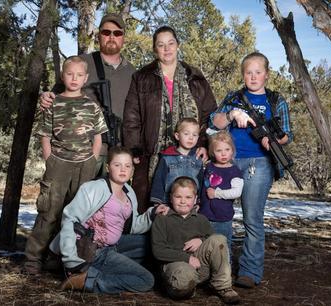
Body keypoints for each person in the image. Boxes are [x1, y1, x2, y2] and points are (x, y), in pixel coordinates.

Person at [210, 52, 293, 288]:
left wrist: (275, 141)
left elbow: (288, 133)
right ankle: (220, 267)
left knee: (252, 220)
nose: (253, 76)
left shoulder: (276, 101)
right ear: (243, 74)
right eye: (248, 72)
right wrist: (232, 114)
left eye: (258, 72)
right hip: (228, 162)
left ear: (266, 74)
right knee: (220, 215)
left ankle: (250, 271)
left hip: (260, 164)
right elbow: (212, 122)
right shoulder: (234, 97)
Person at [24, 56, 108, 275]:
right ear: (63, 76)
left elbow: (98, 135)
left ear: (86, 78)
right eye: (70, 74)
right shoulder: (54, 103)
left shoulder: (91, 105)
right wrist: (49, 158)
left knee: (74, 214)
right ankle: (33, 259)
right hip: (59, 163)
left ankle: (57, 258)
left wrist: (92, 158)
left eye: (79, 75)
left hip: (84, 164)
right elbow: (44, 134)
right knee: (49, 212)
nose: (74, 78)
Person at [123, 25, 217, 213]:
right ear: (154, 49)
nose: (166, 49)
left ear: (178, 45)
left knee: (187, 205)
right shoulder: (141, 77)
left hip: (189, 155)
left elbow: (210, 115)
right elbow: (132, 117)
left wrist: (206, 144)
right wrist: (134, 150)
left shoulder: (195, 77)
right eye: (161, 45)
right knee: (149, 206)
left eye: (171, 43)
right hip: (152, 154)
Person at [49, 147, 168, 293]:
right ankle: (86, 281)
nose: (123, 169)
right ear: (107, 167)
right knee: (146, 280)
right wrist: (71, 262)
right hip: (93, 250)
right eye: (117, 165)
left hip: (114, 245)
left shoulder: (129, 192)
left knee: (152, 243)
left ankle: (104, 271)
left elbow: (133, 226)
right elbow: (70, 221)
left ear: (132, 171)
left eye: (127, 166)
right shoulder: (93, 188)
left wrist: (153, 213)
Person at [40, 13, 135, 176]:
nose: (112, 37)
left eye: (117, 33)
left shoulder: (133, 72)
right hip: (80, 152)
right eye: (106, 32)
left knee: (110, 201)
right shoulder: (81, 63)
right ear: (99, 36)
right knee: (77, 199)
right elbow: (55, 95)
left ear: (123, 38)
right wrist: (47, 97)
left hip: (117, 155)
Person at [151, 177, 240, 304]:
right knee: (182, 281)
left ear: (195, 199)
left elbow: (214, 242)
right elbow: (158, 251)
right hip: (176, 264)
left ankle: (223, 287)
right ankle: (186, 287)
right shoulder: (162, 219)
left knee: (219, 239)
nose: (182, 201)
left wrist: (201, 240)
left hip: (200, 265)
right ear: (171, 198)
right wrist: (187, 259)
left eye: (188, 197)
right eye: (178, 197)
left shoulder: (201, 219)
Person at [199, 131, 244, 263]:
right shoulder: (209, 167)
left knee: (222, 248)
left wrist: (217, 193)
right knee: (204, 247)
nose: (223, 154)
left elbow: (236, 192)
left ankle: (223, 278)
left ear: (232, 150)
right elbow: (202, 187)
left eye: (227, 149)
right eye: (219, 150)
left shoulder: (234, 171)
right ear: (212, 152)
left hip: (222, 218)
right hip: (204, 215)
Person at [150, 117, 203, 206]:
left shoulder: (198, 159)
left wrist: (198, 202)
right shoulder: (167, 157)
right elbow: (159, 179)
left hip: (190, 205)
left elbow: (200, 182)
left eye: (194, 135)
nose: (191, 138)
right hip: (168, 203)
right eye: (186, 134)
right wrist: (157, 202)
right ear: (177, 136)